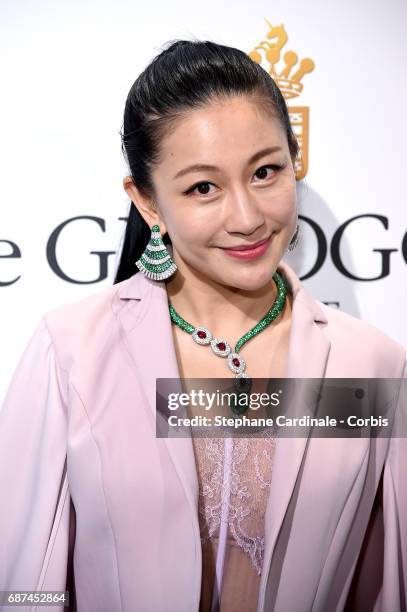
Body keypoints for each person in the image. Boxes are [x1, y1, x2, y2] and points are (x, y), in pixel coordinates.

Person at [0, 39, 406, 612]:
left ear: (295, 162)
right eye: (202, 188)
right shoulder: (72, 355)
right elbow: (20, 587)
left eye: (266, 171)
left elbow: (387, 588)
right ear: (148, 204)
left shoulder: (371, 365)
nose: (247, 218)